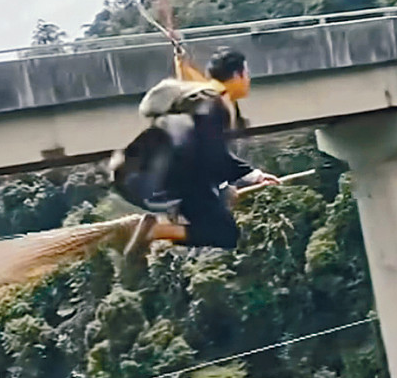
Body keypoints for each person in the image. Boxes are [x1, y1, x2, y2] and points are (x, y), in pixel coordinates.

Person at [116, 47, 280, 257]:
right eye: (246, 73)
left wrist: (244, 179)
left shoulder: (207, 96)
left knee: (223, 223)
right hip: (174, 178)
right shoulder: (214, 105)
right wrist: (249, 176)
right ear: (238, 75)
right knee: (225, 233)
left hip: (158, 174)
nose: (248, 79)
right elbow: (212, 154)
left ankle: (157, 229)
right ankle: (155, 230)